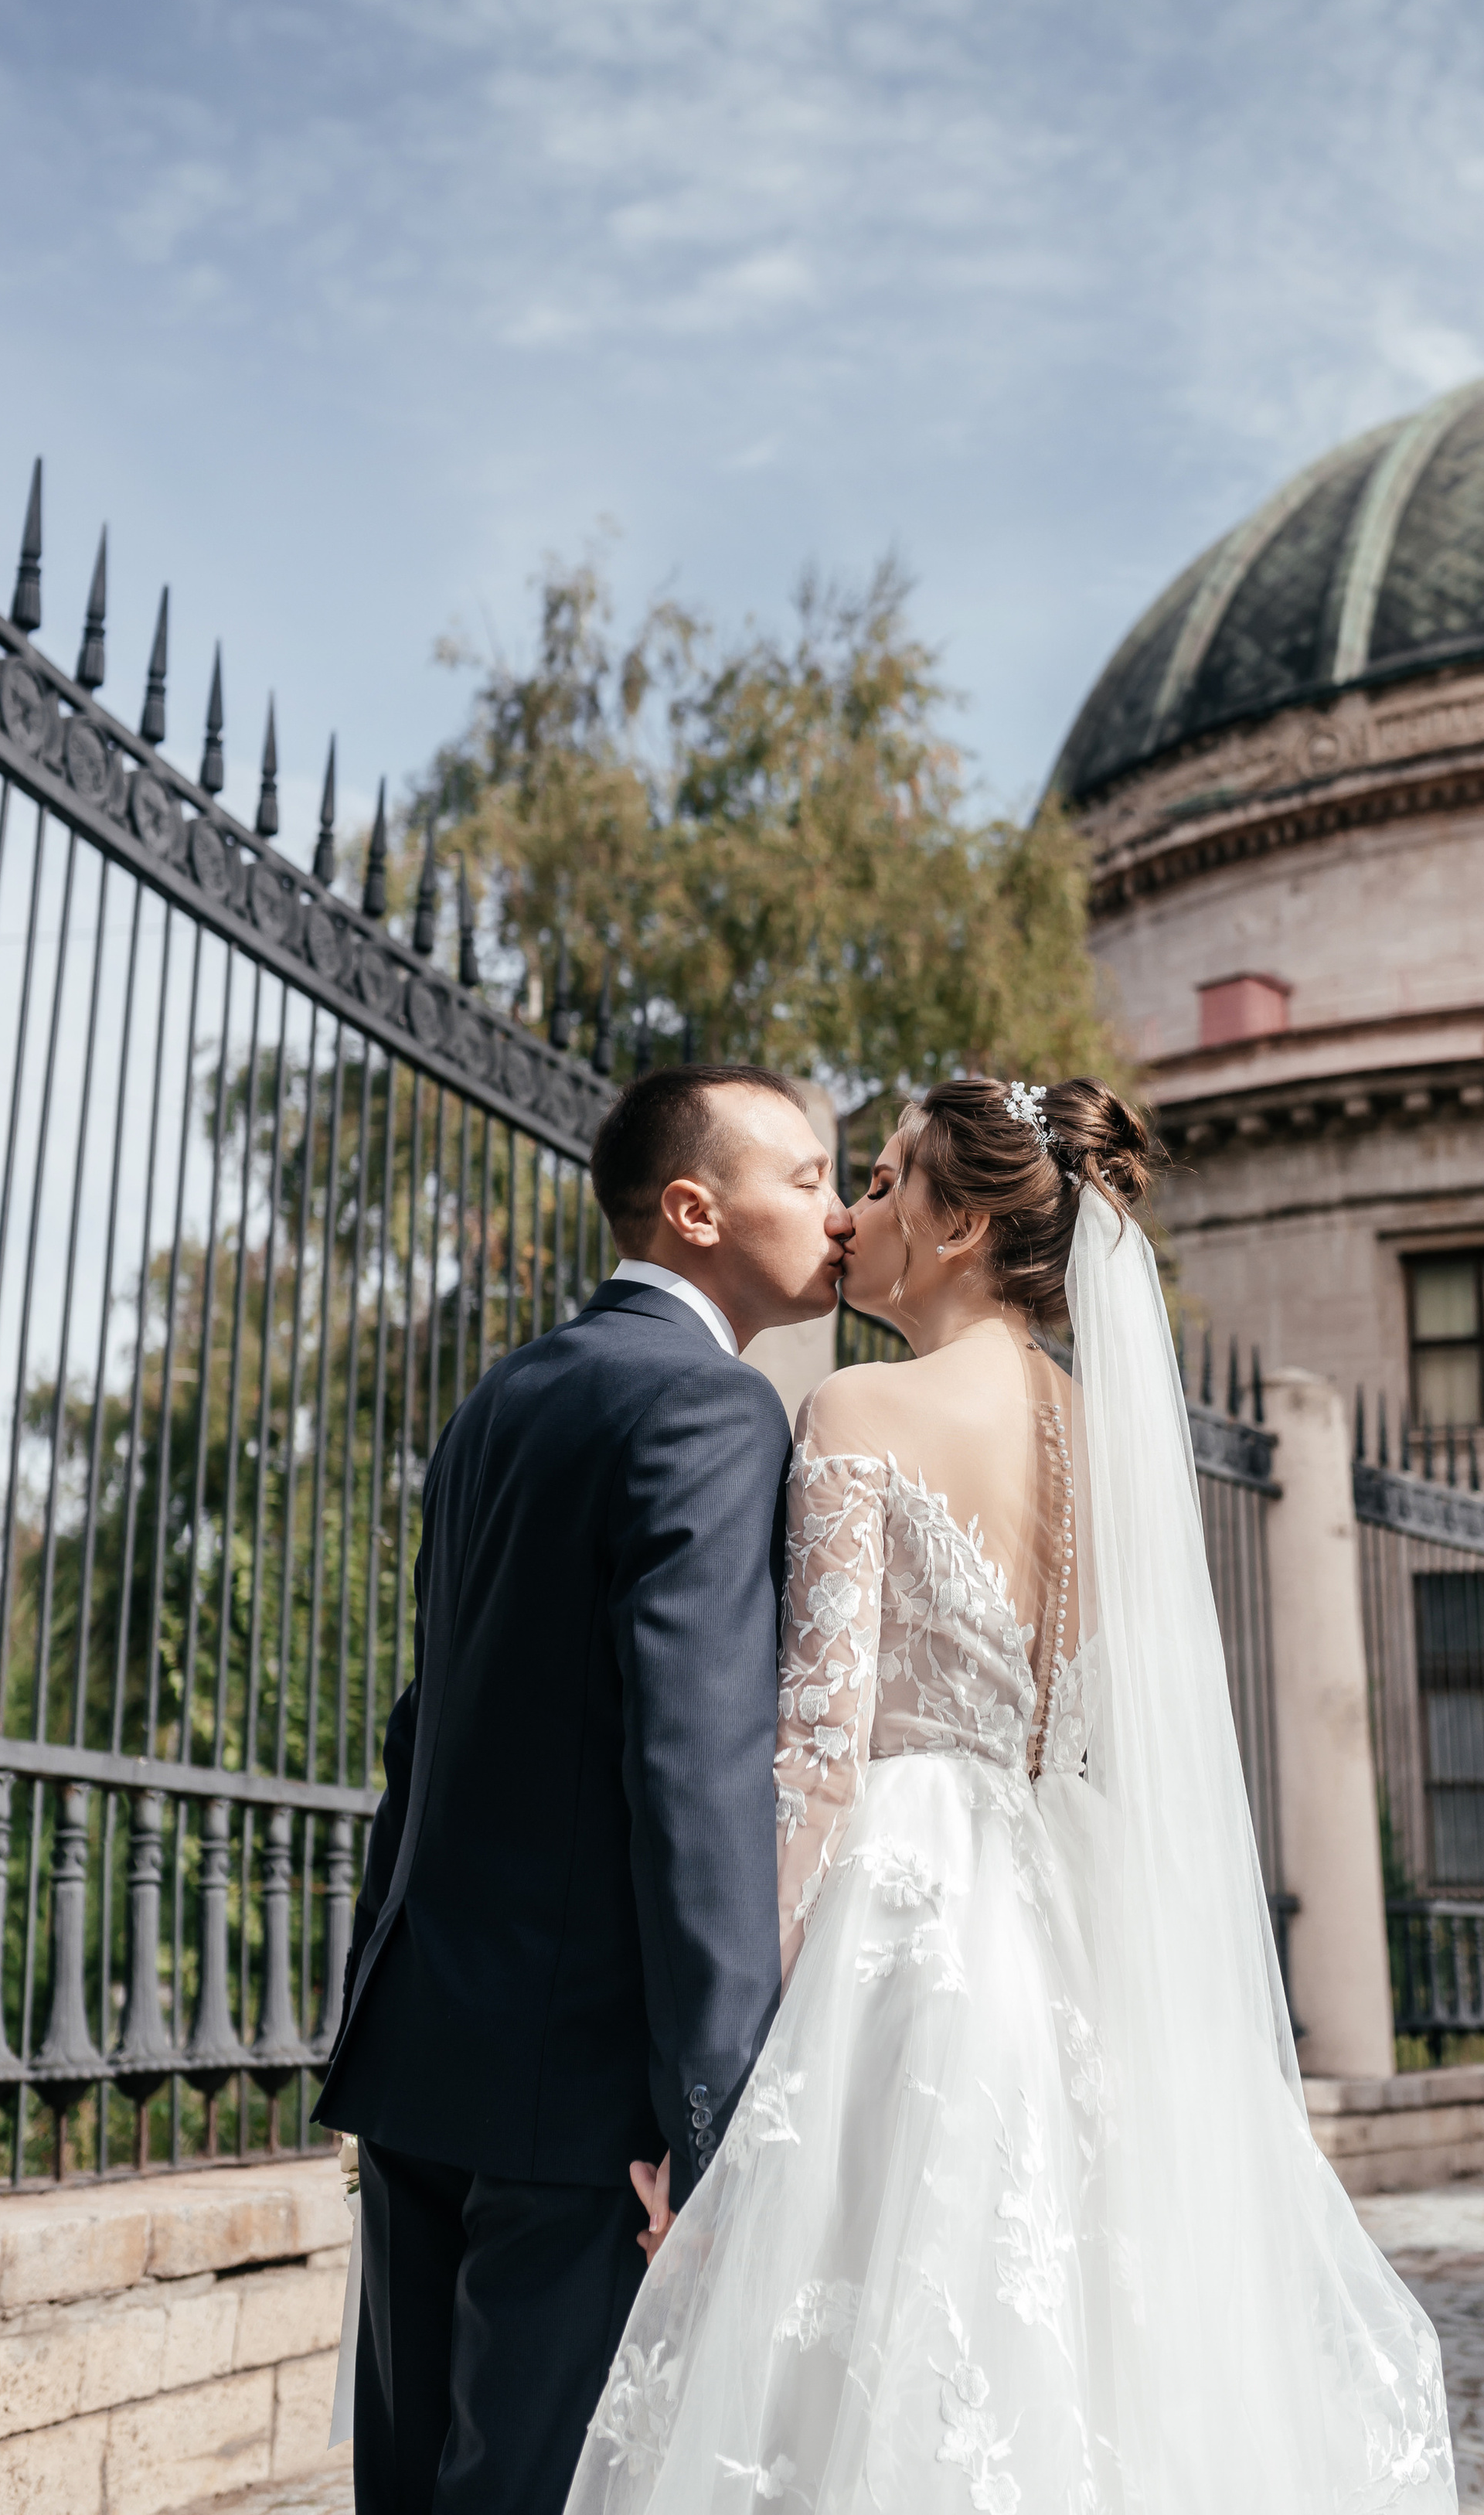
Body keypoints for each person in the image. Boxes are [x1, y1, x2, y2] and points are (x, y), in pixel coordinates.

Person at [567, 1075, 1457, 2515]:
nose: (856, 1213)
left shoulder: (860, 1406)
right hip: (1056, 1934)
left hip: (903, 1924)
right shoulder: (1110, 1451)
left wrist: (718, 2088)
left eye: (888, 1178)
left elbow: (817, 1754)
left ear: (963, 1221)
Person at [315, 1063, 853, 2515]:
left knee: (409, 2486)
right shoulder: (715, 1411)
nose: (842, 1210)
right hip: (582, 2100)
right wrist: (713, 2118)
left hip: (426, 2047)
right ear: (693, 1209)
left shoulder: (505, 1396)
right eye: (804, 1178)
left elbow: (427, 1726)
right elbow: (693, 1774)